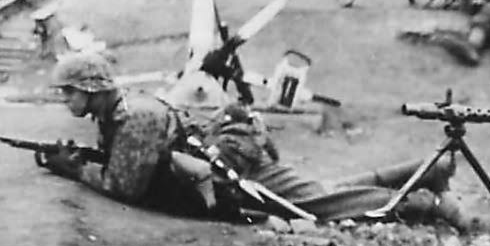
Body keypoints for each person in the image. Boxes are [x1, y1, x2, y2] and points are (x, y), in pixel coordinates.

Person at [191, 103, 465, 227]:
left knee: (335, 202)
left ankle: (429, 204)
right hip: (265, 169)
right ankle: (426, 171)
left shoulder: (225, 142)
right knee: (334, 190)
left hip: (266, 179)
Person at [43, 50, 216, 214]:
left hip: (213, 191)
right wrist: (81, 155)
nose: (64, 98)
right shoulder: (111, 111)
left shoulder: (136, 114)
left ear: (92, 88)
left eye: (70, 90)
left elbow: (123, 187)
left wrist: (76, 169)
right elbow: (118, 158)